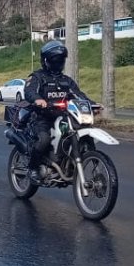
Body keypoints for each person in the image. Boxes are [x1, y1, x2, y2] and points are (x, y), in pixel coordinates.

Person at [23, 40, 93, 181]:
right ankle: (32, 169)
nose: (58, 63)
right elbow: (29, 91)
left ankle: (66, 162)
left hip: (62, 117)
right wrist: (38, 100)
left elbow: (78, 94)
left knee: (76, 134)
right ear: (46, 60)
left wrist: (92, 104)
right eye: (55, 60)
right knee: (44, 140)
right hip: (41, 118)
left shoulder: (66, 80)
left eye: (60, 60)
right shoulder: (37, 77)